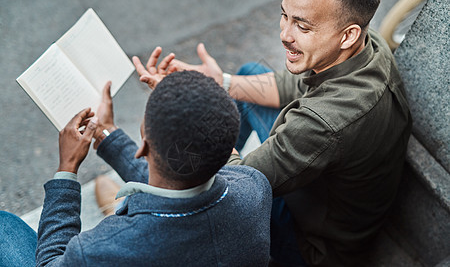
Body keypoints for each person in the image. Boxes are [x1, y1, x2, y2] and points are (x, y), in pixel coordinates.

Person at [136, 0, 412, 266]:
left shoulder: (325, 123)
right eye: (285, 16)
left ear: (348, 35)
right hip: (323, 188)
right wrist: (220, 83)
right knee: (247, 76)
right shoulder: (367, 46)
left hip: (311, 245)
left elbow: (240, 189)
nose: (285, 35)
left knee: (214, 192)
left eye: (302, 27)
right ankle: (170, 182)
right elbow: (291, 85)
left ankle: (151, 211)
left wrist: (188, 107)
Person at [0, 71, 272, 266]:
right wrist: (107, 133)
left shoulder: (101, 248)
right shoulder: (253, 186)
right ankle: (118, 202)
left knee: (4, 226)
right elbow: (179, 179)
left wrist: (67, 170)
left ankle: (116, 206)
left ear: (142, 147)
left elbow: (50, 262)